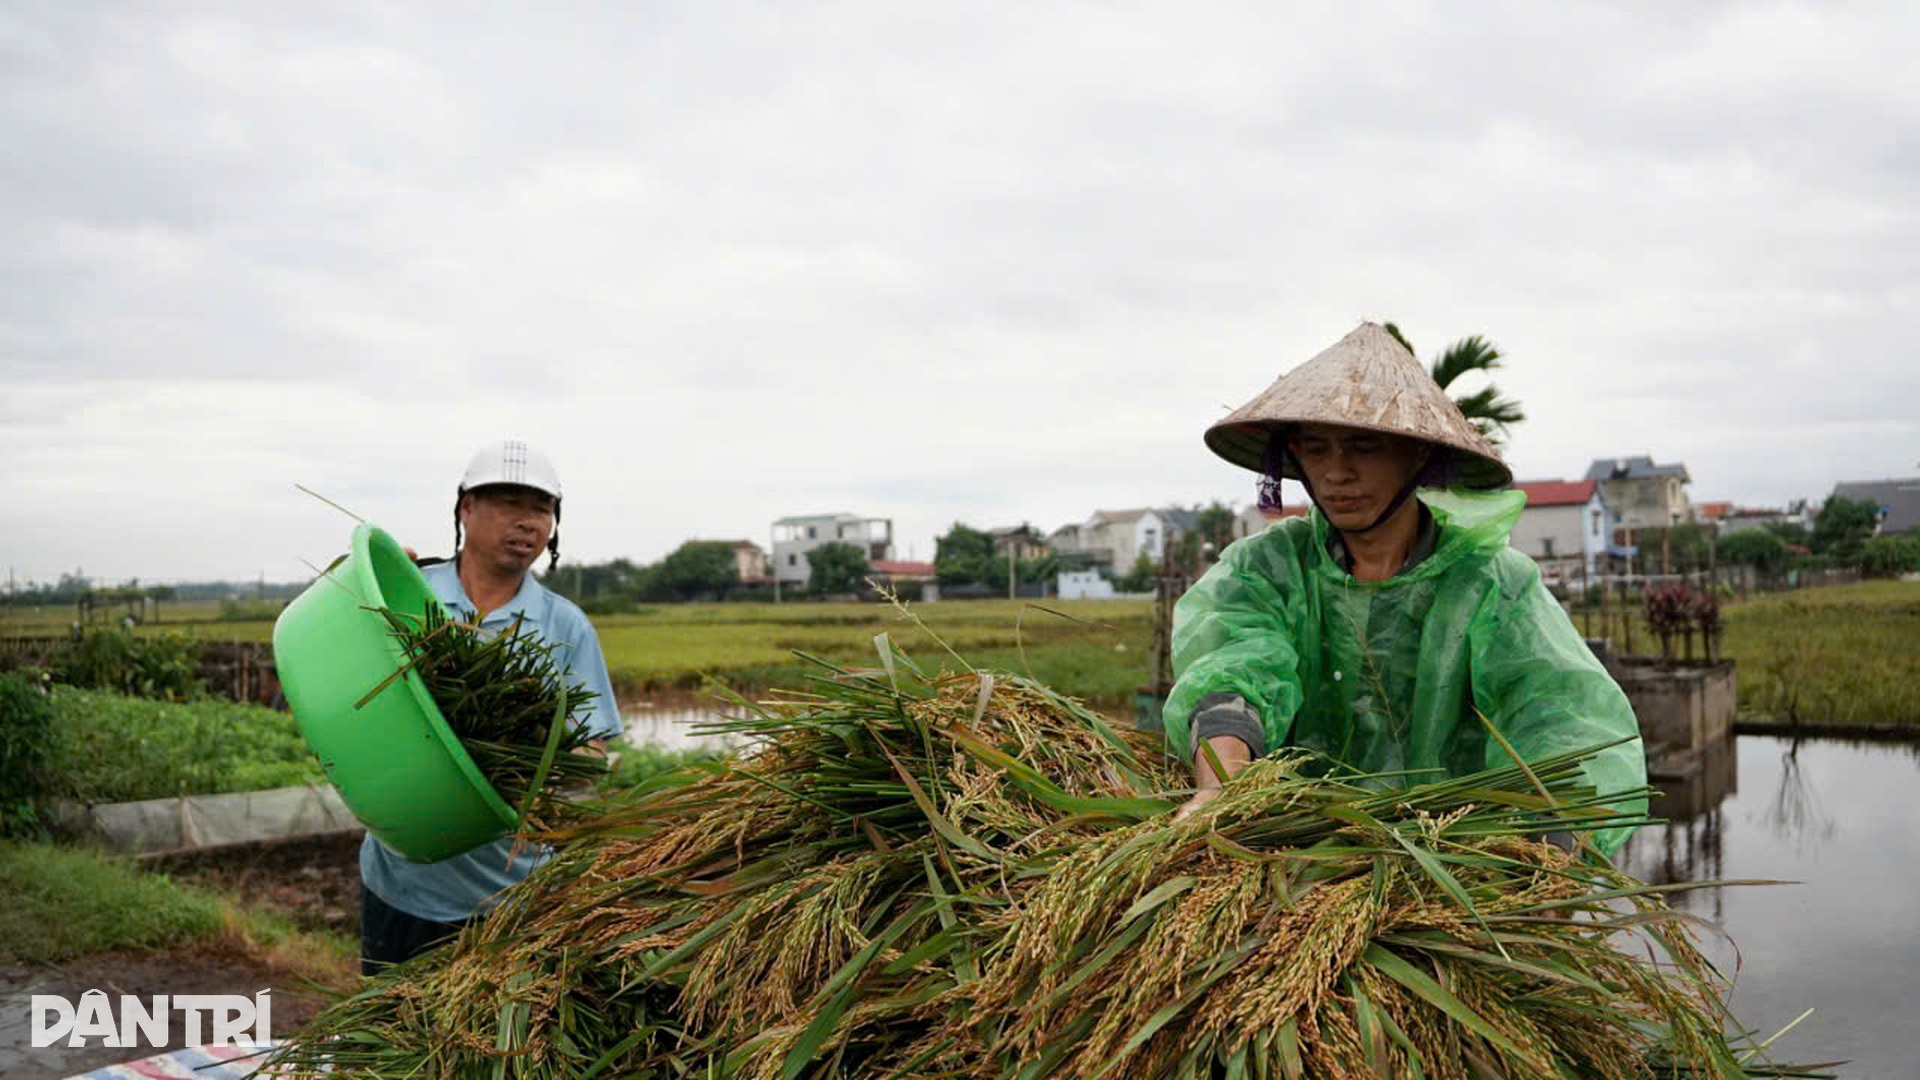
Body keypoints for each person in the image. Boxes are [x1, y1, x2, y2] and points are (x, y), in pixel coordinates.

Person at [1166, 322, 1645, 855]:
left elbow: (1560, 719)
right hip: (1294, 858)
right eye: (1316, 450)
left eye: (1364, 448)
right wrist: (1221, 789)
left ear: (1417, 455)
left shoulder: (1490, 585)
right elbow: (1236, 676)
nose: (1335, 474)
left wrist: (1550, 842)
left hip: (1458, 866)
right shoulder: (1268, 569)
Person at [358, 439, 623, 973]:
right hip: (402, 880)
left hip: (516, 895)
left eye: (540, 509)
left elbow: (593, 753)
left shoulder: (564, 625)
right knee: (392, 1039)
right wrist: (355, 582)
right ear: (466, 509)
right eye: (507, 502)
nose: (526, 522)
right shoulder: (409, 596)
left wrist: (524, 780)